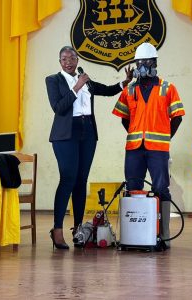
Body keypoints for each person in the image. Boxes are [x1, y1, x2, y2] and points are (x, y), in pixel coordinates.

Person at [45, 45, 133, 249]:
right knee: (67, 179)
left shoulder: (84, 79)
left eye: (72, 58)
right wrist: (77, 86)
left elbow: (106, 90)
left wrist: (125, 83)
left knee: (81, 180)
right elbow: (59, 107)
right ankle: (57, 229)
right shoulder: (54, 80)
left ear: (77, 61)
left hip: (87, 133)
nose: (69, 62)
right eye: (64, 59)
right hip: (65, 134)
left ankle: (78, 230)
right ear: (60, 62)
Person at [112, 42, 185, 248]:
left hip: (158, 149)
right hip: (134, 148)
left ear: (154, 63)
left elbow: (177, 117)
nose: (141, 66)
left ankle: (164, 235)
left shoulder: (168, 88)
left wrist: (165, 137)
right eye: (138, 62)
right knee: (133, 187)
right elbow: (124, 118)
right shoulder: (129, 89)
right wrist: (136, 134)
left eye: (145, 61)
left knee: (161, 188)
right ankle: (135, 236)